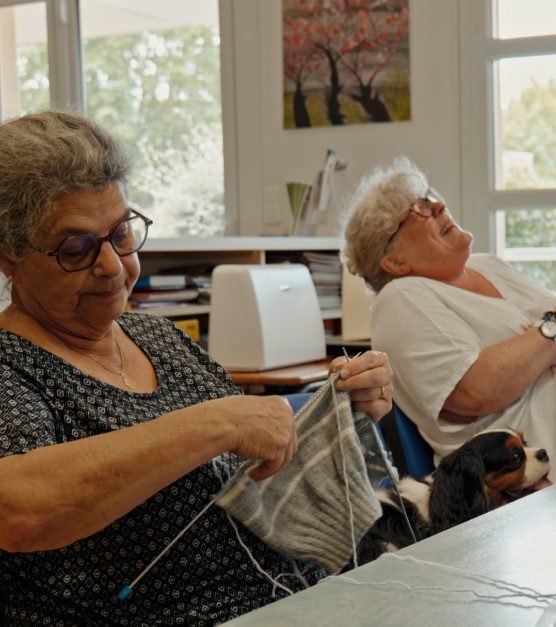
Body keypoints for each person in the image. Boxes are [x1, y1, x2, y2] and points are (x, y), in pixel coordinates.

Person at [0, 111, 396, 625]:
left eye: (121, 233)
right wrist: (219, 423)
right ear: (8, 255)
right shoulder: (12, 366)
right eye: (76, 248)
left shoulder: (159, 340)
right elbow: (21, 510)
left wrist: (346, 415)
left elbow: (257, 476)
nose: (114, 267)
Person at [342, 158, 556, 483]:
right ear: (395, 261)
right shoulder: (400, 298)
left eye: (430, 196)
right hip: (546, 492)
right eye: (418, 209)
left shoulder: (489, 266)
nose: (438, 206)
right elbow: (476, 390)